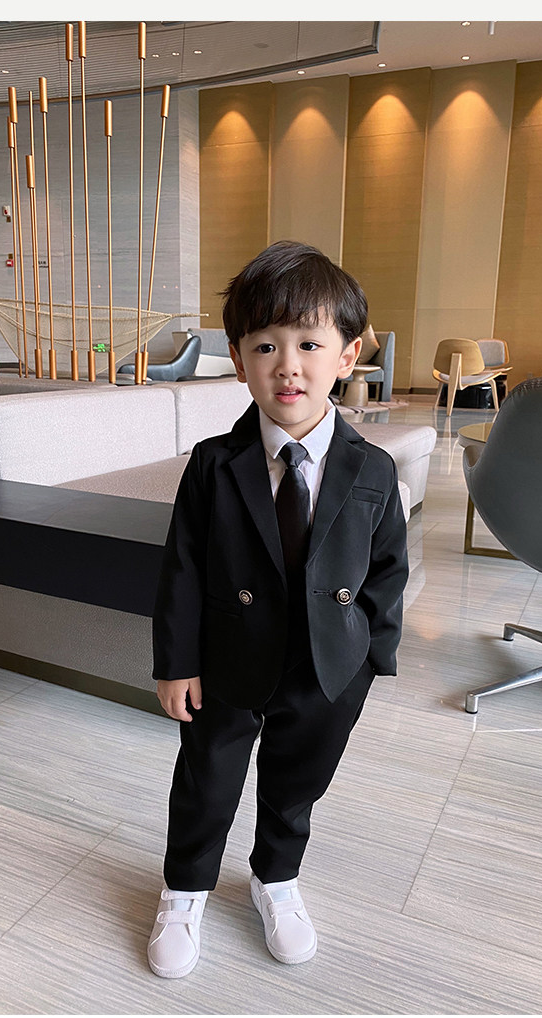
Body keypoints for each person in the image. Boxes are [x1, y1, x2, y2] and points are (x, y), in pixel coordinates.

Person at [148, 241, 409, 978]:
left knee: (298, 782)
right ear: (238, 360)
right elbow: (182, 570)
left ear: (347, 355)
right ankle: (185, 888)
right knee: (207, 780)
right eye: (265, 346)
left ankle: (276, 878)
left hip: (328, 665)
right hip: (228, 660)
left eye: (309, 344)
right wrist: (176, 663)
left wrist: (371, 659)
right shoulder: (212, 463)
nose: (287, 365)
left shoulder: (372, 468)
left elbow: (388, 568)